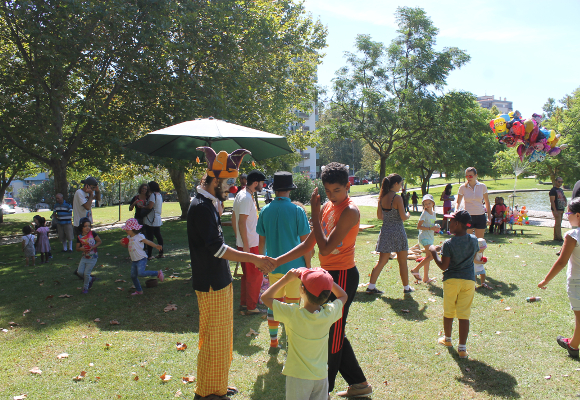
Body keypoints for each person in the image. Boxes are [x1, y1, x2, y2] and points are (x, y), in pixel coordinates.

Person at [276, 162, 372, 398]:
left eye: (336, 191)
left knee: (333, 334)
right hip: (326, 275)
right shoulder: (328, 206)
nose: (331, 196)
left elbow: (327, 249)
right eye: (328, 191)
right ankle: (359, 384)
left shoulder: (350, 211)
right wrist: (277, 261)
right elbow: (309, 243)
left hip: (342, 276)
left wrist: (316, 215)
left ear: (348, 186)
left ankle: (324, 390)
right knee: (332, 330)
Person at [187, 147, 276, 400]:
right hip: (211, 282)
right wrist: (255, 258)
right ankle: (207, 392)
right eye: (227, 183)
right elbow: (216, 249)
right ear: (214, 180)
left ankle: (218, 384)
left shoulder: (210, 203)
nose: (231, 188)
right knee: (214, 338)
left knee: (223, 336)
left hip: (221, 280)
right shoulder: (201, 206)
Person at [261, 268, 347, 400]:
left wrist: (286, 279)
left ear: (302, 289)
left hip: (298, 376)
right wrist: (327, 280)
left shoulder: (292, 314)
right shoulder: (329, 313)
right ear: (328, 294)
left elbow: (265, 297)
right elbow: (343, 296)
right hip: (321, 376)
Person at [257, 171, 311, 348]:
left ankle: (273, 342)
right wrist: (308, 268)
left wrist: (262, 265)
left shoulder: (264, 211)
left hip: (273, 266)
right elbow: (306, 244)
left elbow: (261, 243)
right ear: (290, 190)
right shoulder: (297, 211)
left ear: (275, 190)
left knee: (274, 305)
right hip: (296, 268)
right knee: (293, 306)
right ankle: (290, 340)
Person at [429, 210, 479, 359]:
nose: (449, 223)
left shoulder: (448, 243)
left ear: (457, 224)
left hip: (451, 280)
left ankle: (448, 339)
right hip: (469, 280)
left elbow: (444, 266)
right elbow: (474, 255)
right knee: (464, 314)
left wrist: (433, 252)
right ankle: (462, 348)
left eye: (451, 221)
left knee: (449, 311)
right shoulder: (474, 240)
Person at [538, 197, 580, 359]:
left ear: (578, 215)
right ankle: (573, 343)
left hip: (576, 282)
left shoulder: (573, 235)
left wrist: (545, 280)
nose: (566, 215)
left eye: (569, 212)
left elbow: (562, 262)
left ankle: (573, 346)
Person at [368, 173, 413, 295]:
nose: (401, 186)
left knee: (382, 261)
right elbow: (403, 217)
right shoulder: (397, 198)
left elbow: (379, 216)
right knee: (402, 261)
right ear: (396, 183)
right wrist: (408, 214)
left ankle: (371, 286)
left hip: (386, 231)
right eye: (401, 183)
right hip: (398, 231)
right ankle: (406, 287)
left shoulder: (382, 197)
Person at [232, 169, 266, 315]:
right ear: (256, 183)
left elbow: (234, 218)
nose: (263, 186)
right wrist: (245, 245)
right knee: (255, 275)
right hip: (250, 244)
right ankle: (251, 307)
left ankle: (245, 305)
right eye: (262, 183)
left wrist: (239, 240)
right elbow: (241, 222)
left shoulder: (242, 194)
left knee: (247, 276)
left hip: (246, 242)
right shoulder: (246, 197)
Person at [120, 218, 164, 295]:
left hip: (141, 258)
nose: (126, 231)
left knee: (141, 273)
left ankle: (157, 273)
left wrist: (156, 246)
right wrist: (122, 244)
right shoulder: (129, 238)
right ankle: (139, 290)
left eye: (127, 229)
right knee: (133, 276)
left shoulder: (139, 236)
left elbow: (148, 242)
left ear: (133, 229)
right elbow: (127, 246)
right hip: (134, 260)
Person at [410, 194, 439, 284]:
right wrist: (431, 228)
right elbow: (419, 226)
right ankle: (415, 269)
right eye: (425, 204)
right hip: (424, 237)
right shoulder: (424, 213)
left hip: (430, 237)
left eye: (429, 203)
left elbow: (430, 225)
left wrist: (436, 228)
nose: (427, 205)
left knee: (428, 257)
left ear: (433, 203)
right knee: (431, 256)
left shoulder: (434, 214)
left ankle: (426, 278)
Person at [455, 167, 491, 239]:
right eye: (466, 176)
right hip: (468, 217)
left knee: (480, 242)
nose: (468, 178)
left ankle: (479, 251)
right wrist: (456, 210)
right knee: (468, 240)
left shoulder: (482, 186)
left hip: (480, 216)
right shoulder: (462, 187)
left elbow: (487, 202)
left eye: (470, 176)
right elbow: (458, 202)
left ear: (476, 175)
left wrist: (489, 217)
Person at [75, 217, 101, 294]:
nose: (87, 228)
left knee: (86, 273)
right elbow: (77, 248)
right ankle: (90, 279)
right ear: (81, 227)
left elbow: (99, 241)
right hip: (84, 257)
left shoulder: (92, 234)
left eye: (89, 226)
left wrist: (93, 247)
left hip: (93, 257)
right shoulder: (79, 237)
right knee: (80, 272)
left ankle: (85, 288)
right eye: (85, 226)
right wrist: (81, 249)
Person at [142, 181, 164, 259]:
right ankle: (161, 253)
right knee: (158, 236)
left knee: (150, 237)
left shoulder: (153, 195)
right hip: (157, 217)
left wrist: (143, 206)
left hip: (151, 218)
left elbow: (150, 206)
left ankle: (149, 255)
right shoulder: (159, 195)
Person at [550, 176, 567, 242]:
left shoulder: (560, 190)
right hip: (556, 209)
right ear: (555, 182)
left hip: (561, 208)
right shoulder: (553, 190)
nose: (560, 183)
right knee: (558, 223)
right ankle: (560, 238)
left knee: (558, 223)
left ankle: (556, 237)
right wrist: (555, 210)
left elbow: (564, 197)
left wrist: (565, 202)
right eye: (559, 182)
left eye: (561, 182)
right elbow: (552, 201)